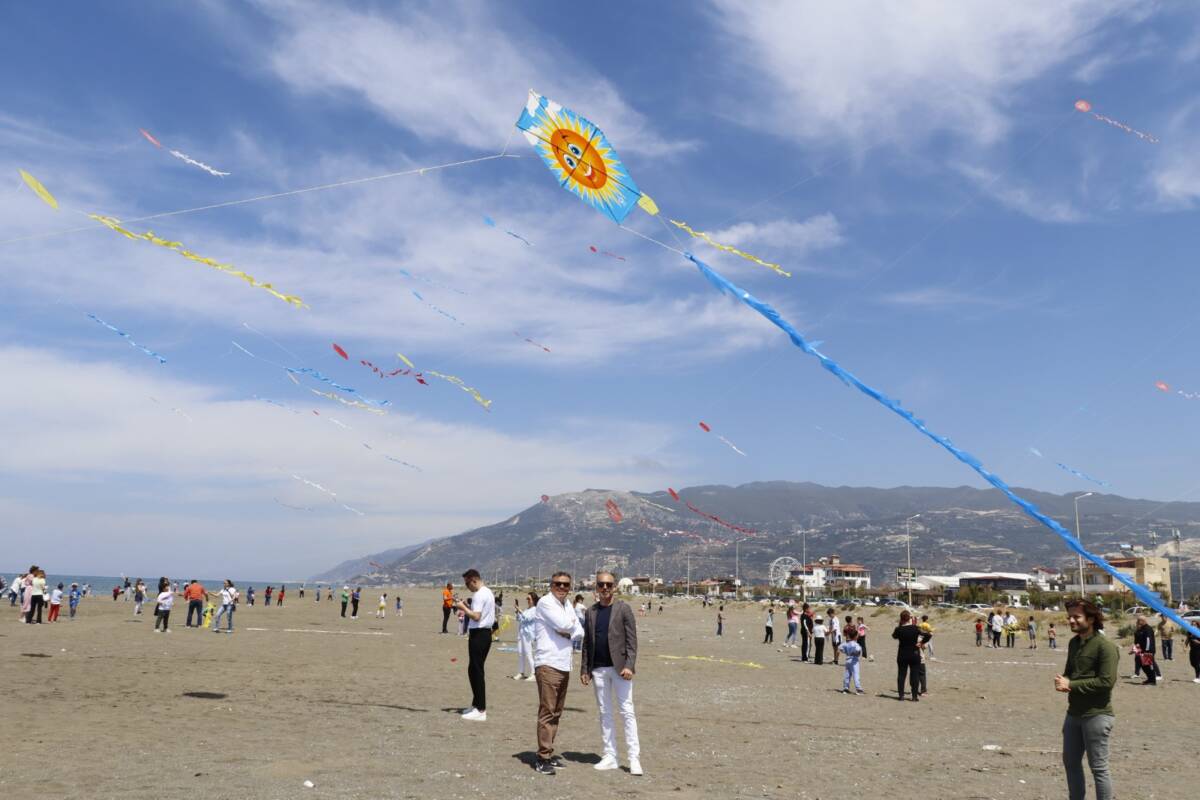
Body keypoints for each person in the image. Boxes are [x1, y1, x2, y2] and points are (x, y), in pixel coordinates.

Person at [1055, 598, 1119, 800]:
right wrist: (1063, 680)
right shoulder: (1074, 643)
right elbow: (1070, 673)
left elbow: (1106, 682)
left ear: (1091, 618)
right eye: (1069, 617)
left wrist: (1071, 685)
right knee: (1071, 763)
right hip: (1073, 714)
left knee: (1099, 768)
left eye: (1076, 617)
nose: (1071, 621)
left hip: (1097, 716)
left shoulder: (1105, 646)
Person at [581, 570, 642, 777]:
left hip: (620, 669)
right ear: (596, 587)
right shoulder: (590, 612)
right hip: (598, 670)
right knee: (604, 713)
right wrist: (585, 669)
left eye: (608, 585)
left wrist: (629, 665)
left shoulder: (623, 609)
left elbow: (632, 640)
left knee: (627, 712)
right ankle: (610, 756)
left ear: (614, 586)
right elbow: (587, 643)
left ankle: (634, 758)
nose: (605, 588)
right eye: (601, 585)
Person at [530, 571, 583, 774]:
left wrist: (569, 629)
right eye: (558, 584)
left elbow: (579, 630)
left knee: (557, 712)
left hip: (564, 664)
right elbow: (565, 625)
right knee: (547, 711)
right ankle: (542, 757)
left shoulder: (567, 605)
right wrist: (568, 628)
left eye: (566, 585)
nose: (562, 588)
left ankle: (549, 753)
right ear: (551, 585)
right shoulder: (545, 602)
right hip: (548, 663)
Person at [454, 569, 495, 722]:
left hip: (479, 634)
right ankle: (476, 704)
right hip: (484, 634)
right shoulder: (487, 592)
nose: (467, 587)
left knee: (476, 670)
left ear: (473, 580)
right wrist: (466, 605)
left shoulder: (479, 594)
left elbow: (476, 617)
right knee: (473, 669)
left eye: (467, 583)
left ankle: (481, 709)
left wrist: (463, 608)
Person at [892, 610, 930, 701]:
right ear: (909, 618)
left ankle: (901, 696)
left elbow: (894, 636)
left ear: (901, 619)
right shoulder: (916, 628)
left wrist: (900, 625)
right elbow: (928, 635)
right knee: (914, 675)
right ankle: (914, 696)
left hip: (902, 654)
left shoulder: (898, 629)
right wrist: (921, 643)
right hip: (914, 653)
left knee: (901, 675)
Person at [513, 591, 539, 681]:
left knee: (528, 654)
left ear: (533, 600)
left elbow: (527, 618)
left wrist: (520, 610)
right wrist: (517, 611)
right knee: (521, 653)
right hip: (521, 633)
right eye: (527, 599)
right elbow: (519, 619)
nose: (527, 600)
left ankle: (534, 673)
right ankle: (521, 672)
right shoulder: (527, 609)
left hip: (528, 634)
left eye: (529, 599)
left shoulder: (535, 609)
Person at [1133, 616, 1159, 686]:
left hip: (1148, 651)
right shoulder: (1141, 629)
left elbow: (1148, 640)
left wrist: (1147, 651)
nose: (1137, 622)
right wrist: (1135, 649)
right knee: (1143, 665)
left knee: (1148, 665)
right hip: (1142, 650)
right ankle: (1149, 679)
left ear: (1143, 621)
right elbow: (1138, 641)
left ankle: (1153, 681)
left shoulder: (1148, 629)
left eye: (1138, 621)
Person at [839, 626, 864, 694]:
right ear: (855, 636)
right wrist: (856, 653)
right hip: (854, 661)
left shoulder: (846, 643)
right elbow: (858, 650)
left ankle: (845, 688)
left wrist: (845, 651)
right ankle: (858, 688)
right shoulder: (855, 644)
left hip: (848, 660)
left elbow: (840, 648)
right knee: (856, 674)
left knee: (847, 674)